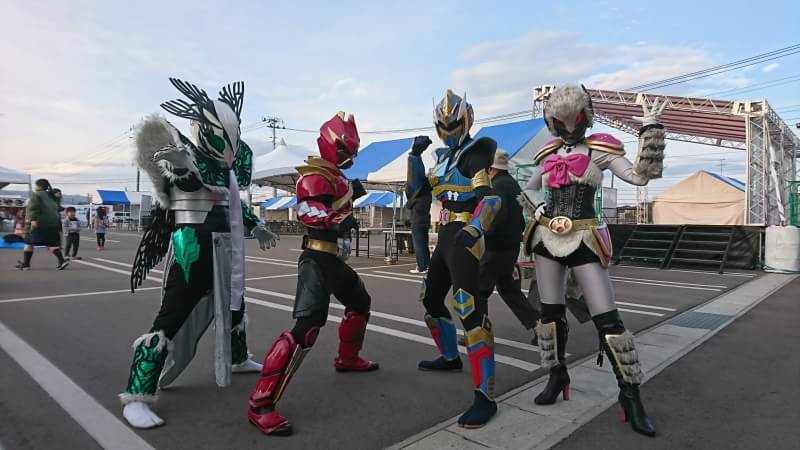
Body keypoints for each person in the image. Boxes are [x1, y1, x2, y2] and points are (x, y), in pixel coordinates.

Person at [121, 78, 278, 429]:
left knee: (236, 304)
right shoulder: (186, 156)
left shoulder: (227, 169)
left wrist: (256, 225)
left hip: (225, 250)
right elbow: (188, 183)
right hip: (192, 250)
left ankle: (238, 357)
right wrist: (180, 165)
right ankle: (136, 394)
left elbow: (231, 204)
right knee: (171, 316)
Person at [520, 84, 666, 437]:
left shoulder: (601, 149)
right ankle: (557, 375)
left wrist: (650, 130)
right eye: (561, 122)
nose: (569, 129)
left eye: (575, 120)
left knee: (608, 319)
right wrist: (538, 208)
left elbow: (639, 177)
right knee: (549, 314)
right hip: (547, 236)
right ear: (553, 122)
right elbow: (529, 187)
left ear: (585, 117)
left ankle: (630, 394)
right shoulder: (548, 152)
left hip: (585, 235)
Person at [247, 112, 376, 436]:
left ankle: (347, 358)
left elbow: (333, 204)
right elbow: (308, 209)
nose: (349, 156)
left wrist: (344, 207)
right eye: (344, 149)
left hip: (333, 260)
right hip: (316, 259)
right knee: (306, 328)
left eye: (352, 150)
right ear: (329, 143)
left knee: (360, 303)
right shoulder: (314, 175)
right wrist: (334, 219)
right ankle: (260, 402)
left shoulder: (337, 178)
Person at [407, 90, 501, 429]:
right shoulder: (443, 158)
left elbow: (490, 200)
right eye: (443, 126)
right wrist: (414, 157)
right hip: (445, 236)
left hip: (464, 237)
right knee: (431, 299)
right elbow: (415, 193)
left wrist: (475, 228)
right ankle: (450, 357)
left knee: (469, 309)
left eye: (453, 124)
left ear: (466, 119)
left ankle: (485, 396)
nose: (448, 131)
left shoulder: (475, 153)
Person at [16, 179, 69, 270]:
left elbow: (33, 208)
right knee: (52, 244)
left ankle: (26, 264)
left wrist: (33, 220)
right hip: (53, 224)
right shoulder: (51, 196)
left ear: (39, 186)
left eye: (35, 185)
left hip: (39, 223)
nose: (34, 187)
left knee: (28, 243)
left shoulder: (37, 195)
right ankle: (62, 261)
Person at [407, 184, 432, 274]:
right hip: (425, 221)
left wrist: (413, 194)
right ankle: (428, 265)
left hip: (417, 222)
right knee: (424, 245)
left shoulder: (417, 197)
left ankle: (421, 267)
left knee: (418, 246)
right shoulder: (428, 196)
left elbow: (408, 205)